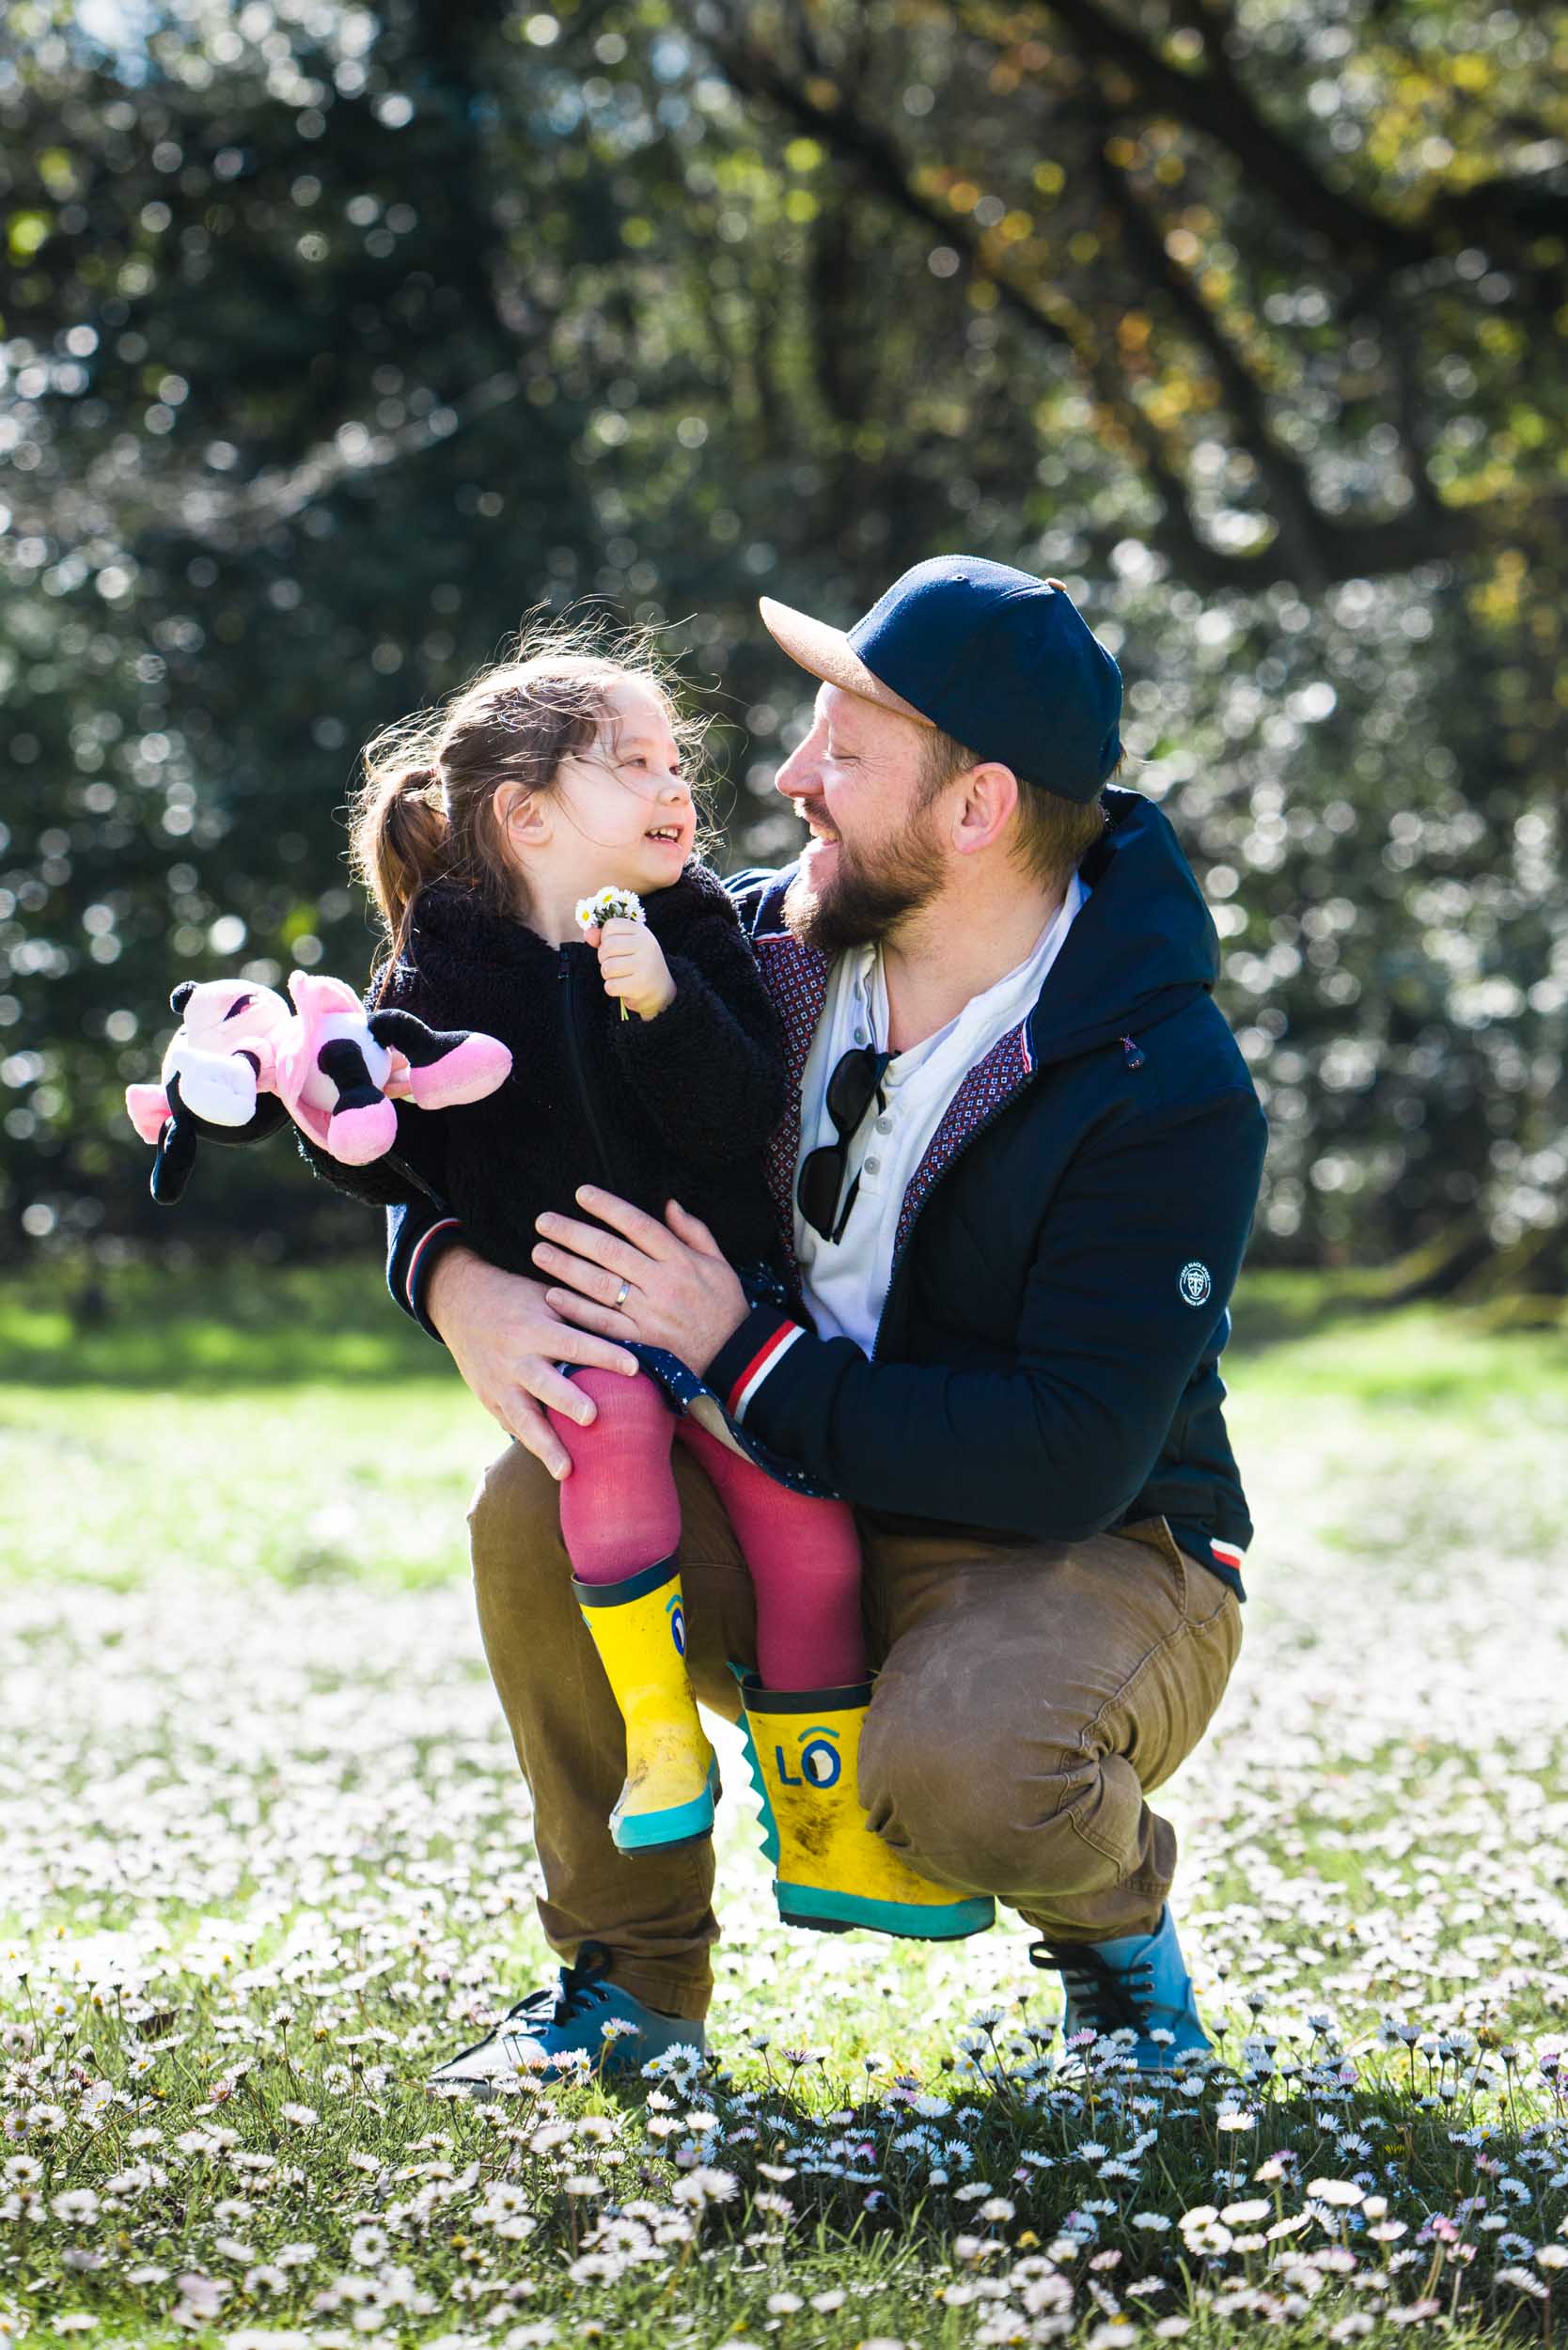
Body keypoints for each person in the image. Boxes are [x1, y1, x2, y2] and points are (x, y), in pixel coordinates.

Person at [389, 558, 1268, 2093]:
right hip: (789, 1503)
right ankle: (629, 1992)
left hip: (1083, 1549)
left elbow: (1068, 1455)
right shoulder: (731, 952)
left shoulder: (1160, 1078)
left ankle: (1118, 1958)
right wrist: (453, 1279)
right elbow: (477, 1121)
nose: (789, 782)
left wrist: (740, 1354)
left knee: (974, 1768)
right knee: (538, 1504)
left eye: (844, 757)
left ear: (978, 809)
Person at [306, 626, 986, 1944]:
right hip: (576, 1329)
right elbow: (413, 1167)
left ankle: (826, 1829)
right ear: (528, 816)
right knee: (597, 1460)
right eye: (635, 766)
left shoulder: (703, 929)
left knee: (808, 1538)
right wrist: (367, 1157)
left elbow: (736, 1115)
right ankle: (657, 1739)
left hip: (729, 1314)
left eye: (680, 764)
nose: (680, 790)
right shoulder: (442, 971)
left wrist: (663, 1004)